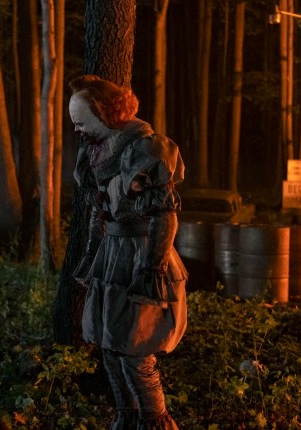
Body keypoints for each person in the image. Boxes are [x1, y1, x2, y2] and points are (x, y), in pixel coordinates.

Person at [68, 75, 188, 430]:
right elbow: (99, 210)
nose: (76, 129)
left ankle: (154, 422)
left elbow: (165, 214)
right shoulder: (96, 150)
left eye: (81, 121)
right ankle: (127, 416)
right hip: (112, 257)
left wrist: (153, 268)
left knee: (136, 350)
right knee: (110, 346)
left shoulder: (144, 149)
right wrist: (92, 256)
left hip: (141, 254)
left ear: (104, 113)